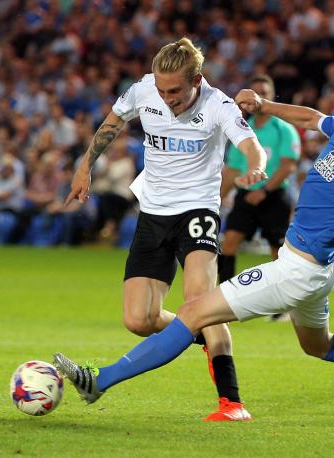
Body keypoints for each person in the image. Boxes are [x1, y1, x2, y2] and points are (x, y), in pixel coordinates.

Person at [54, 63, 334, 420]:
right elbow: (311, 118)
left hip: (296, 271)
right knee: (319, 346)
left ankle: (100, 381)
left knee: (192, 312)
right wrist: (266, 103)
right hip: (317, 271)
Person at [63, 38, 267, 421]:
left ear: (197, 79)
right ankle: (204, 336)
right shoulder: (143, 90)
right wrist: (84, 166)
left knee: (200, 302)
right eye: (161, 90)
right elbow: (112, 123)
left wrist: (256, 164)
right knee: (138, 320)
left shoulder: (217, 104)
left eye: (175, 90)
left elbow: (251, 143)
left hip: (198, 212)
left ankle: (232, 402)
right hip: (153, 212)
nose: (167, 97)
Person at [219, 74, 300, 322]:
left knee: (277, 252)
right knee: (229, 242)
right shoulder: (242, 129)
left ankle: (282, 305)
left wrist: (264, 190)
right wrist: (217, 199)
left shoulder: (284, 128)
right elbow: (233, 169)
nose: (256, 97)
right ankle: (225, 301)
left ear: (270, 95)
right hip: (246, 194)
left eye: (262, 92)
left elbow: (288, 166)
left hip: (274, 194)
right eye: (253, 92)